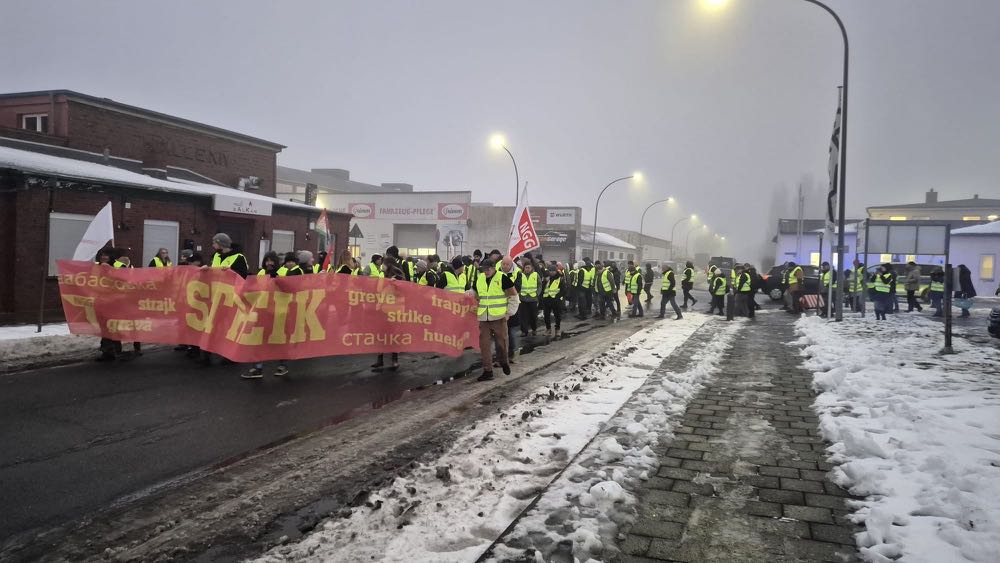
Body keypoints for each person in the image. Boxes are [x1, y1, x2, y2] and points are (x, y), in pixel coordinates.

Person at [242, 252, 301, 379]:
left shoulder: (284, 271)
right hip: (262, 312)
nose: (269, 263)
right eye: (267, 261)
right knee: (258, 340)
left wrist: (278, 278)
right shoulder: (261, 273)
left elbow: (291, 289)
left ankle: (283, 365)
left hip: (280, 312)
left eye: (271, 261)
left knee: (280, 340)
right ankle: (257, 368)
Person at [474, 259, 517, 381]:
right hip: (484, 317)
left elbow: (514, 296)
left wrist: (509, 313)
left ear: (494, 268)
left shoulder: (503, 278)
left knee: (502, 342)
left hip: (499, 317)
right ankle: (488, 371)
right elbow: (475, 291)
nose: (486, 271)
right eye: (484, 269)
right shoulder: (480, 278)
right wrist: (469, 294)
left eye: (488, 269)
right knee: (484, 345)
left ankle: (504, 361)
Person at [372, 255, 405, 371]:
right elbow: (380, 291)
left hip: (395, 311)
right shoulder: (383, 276)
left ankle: (394, 360)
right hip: (384, 310)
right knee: (381, 335)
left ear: (389, 265)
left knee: (394, 335)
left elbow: (403, 291)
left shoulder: (398, 277)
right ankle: (380, 359)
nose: (382, 265)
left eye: (384, 263)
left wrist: (395, 283)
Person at [500, 256, 522, 362]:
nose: (504, 266)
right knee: (501, 335)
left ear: (511, 264)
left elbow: (517, 289)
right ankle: (503, 356)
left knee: (511, 333)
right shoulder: (497, 273)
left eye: (507, 264)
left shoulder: (517, 273)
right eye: (503, 264)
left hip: (513, 306)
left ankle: (514, 352)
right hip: (499, 307)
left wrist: (506, 289)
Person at [542, 266, 566, 338]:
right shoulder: (547, 278)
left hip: (556, 300)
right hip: (547, 299)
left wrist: (558, 297)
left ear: (556, 271)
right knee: (546, 315)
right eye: (550, 271)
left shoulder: (560, 279)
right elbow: (543, 288)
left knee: (557, 316)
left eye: (553, 271)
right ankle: (548, 329)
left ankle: (557, 329)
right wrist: (545, 281)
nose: (552, 272)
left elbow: (563, 290)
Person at [518, 262, 540, 336]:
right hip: (523, 298)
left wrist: (537, 293)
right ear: (523, 268)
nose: (527, 269)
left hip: (533, 298)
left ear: (531, 268)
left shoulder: (535, 275)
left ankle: (534, 329)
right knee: (523, 316)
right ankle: (524, 331)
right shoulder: (520, 275)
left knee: (533, 316)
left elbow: (539, 284)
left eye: (529, 267)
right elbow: (518, 284)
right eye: (526, 267)